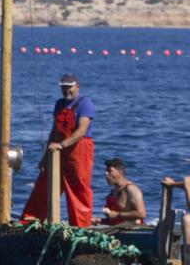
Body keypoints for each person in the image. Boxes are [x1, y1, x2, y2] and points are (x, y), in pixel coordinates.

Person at [20, 74, 96, 227]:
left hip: (78, 151)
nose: (66, 90)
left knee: (77, 189)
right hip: (57, 151)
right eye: (63, 87)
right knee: (44, 184)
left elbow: (81, 130)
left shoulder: (85, 103)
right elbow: (55, 131)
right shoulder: (59, 104)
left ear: (77, 86)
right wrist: (45, 157)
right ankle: (30, 221)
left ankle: (79, 226)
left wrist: (62, 145)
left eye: (69, 87)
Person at [94, 157, 145, 226]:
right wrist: (99, 220)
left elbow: (141, 214)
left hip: (132, 231)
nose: (106, 174)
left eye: (109, 171)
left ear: (120, 172)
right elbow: (115, 220)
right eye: (106, 171)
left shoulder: (132, 190)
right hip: (116, 230)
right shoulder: (112, 193)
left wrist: (117, 215)